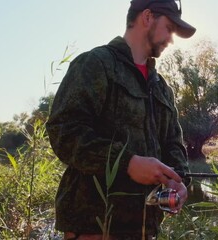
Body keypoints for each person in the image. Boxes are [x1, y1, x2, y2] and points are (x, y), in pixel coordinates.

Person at [46, 0, 196, 239]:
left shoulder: (162, 88)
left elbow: (173, 144)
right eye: (169, 28)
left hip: (146, 228)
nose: (171, 39)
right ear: (147, 17)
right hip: (94, 227)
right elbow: (64, 131)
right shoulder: (96, 64)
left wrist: (178, 182)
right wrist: (127, 163)